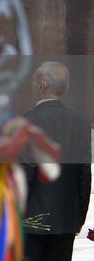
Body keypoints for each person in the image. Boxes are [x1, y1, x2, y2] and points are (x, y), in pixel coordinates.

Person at [22, 62, 91, 261]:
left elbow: (25, 174)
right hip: (65, 219)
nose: (32, 84)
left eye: (34, 79)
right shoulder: (81, 122)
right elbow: (84, 173)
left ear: (42, 85)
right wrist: (78, 218)